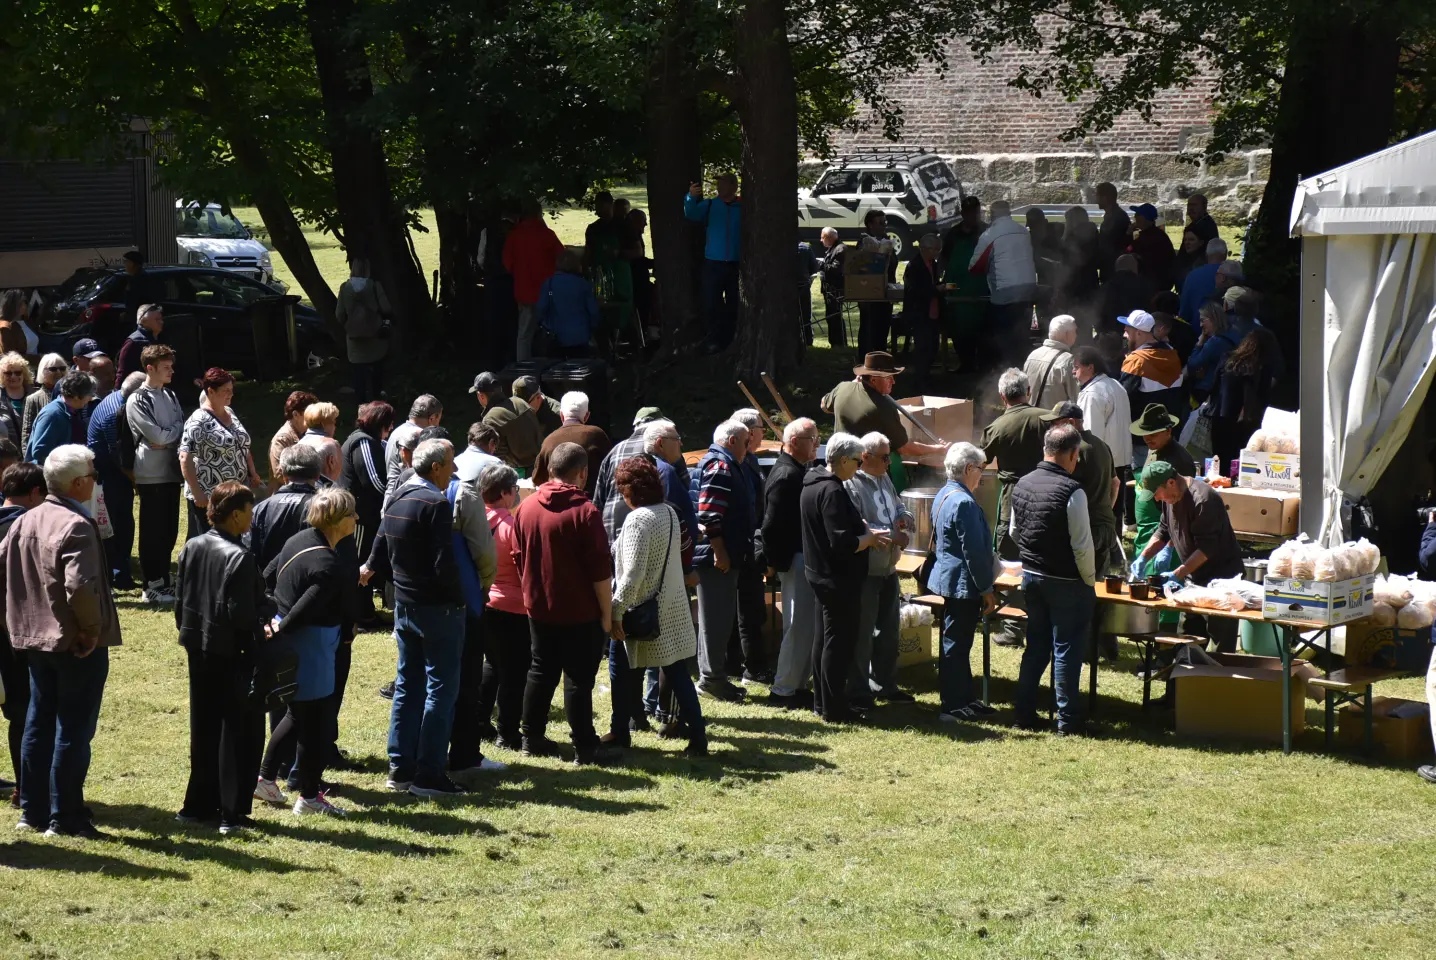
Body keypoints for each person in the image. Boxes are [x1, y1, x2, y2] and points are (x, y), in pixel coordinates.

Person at [1, 445, 120, 837]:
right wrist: (89, 632)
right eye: (94, 475)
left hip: (32, 640)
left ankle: (32, 811)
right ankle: (65, 816)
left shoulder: (24, 520)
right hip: (73, 643)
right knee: (73, 728)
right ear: (80, 482)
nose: (96, 482)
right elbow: (81, 586)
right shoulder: (76, 525)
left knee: (38, 723)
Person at [361, 439, 469, 796]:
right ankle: (429, 775)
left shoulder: (399, 496)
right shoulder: (435, 503)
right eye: (450, 464)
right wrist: (461, 598)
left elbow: (380, 541)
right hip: (437, 608)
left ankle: (400, 768)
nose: (454, 471)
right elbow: (443, 562)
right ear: (435, 467)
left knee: (408, 685)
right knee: (441, 687)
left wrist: (371, 568)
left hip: (404, 606)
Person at [173, 481, 271, 834]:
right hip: (232, 653)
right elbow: (241, 616)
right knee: (237, 733)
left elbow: (181, 600)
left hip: (198, 647)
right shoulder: (240, 557)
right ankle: (231, 813)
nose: (252, 516)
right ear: (234, 515)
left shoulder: (192, 546)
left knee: (204, 728)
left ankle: (196, 805)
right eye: (248, 510)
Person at [256, 488, 358, 817]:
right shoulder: (330, 564)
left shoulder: (298, 539)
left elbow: (267, 575)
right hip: (312, 645)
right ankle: (310, 797)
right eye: (352, 514)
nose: (357, 519)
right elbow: (306, 607)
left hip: (292, 641)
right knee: (317, 722)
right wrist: (282, 625)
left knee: (297, 714)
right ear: (339, 521)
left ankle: (266, 779)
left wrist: (271, 618)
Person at [511, 442, 616, 764]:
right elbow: (600, 571)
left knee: (540, 671)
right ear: (582, 473)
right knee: (578, 680)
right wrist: (607, 615)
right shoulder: (585, 512)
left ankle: (531, 737)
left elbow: (518, 556)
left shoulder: (525, 508)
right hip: (580, 610)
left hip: (539, 606)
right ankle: (585, 746)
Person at [606, 456, 708, 757]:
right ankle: (698, 739)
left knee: (619, 671)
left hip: (640, 612)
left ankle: (620, 731)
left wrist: (615, 610)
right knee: (678, 674)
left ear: (629, 490)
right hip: (670, 610)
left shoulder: (638, 519)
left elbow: (633, 574)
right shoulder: (669, 513)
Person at [1010, 424, 1096, 735]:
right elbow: (1082, 545)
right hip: (1067, 582)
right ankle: (1068, 720)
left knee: (1036, 647)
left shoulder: (1022, 483)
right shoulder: (1073, 491)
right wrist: (1089, 580)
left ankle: (1023, 713)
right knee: (1066, 650)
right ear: (1072, 454)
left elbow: (1013, 532)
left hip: (1032, 576)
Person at [801, 432, 889, 723]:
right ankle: (835, 708)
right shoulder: (833, 491)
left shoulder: (812, 482)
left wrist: (861, 530)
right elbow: (841, 542)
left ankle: (821, 702)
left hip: (819, 573)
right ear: (841, 460)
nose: (858, 466)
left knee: (823, 641)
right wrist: (867, 539)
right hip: (837, 578)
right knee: (837, 644)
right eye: (856, 461)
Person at [843, 432, 916, 707]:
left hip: (889, 568)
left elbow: (897, 505)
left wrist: (905, 517)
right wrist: (892, 535)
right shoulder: (852, 484)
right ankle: (859, 691)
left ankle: (885, 685)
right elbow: (861, 525)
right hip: (867, 570)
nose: (890, 462)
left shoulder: (884, 476)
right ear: (866, 457)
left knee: (889, 630)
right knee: (862, 634)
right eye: (885, 457)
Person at [687, 420, 755, 702]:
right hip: (716, 557)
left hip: (721, 553)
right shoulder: (720, 466)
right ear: (731, 441)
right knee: (716, 620)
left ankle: (712, 677)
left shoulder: (725, 463)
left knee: (716, 619)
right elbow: (708, 515)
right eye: (746, 441)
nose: (749, 447)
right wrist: (719, 551)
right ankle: (712, 680)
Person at [929, 442, 998, 721]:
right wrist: (986, 589)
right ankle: (953, 704)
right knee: (956, 645)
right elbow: (974, 553)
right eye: (981, 469)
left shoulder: (945, 494)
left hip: (952, 579)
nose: (982, 475)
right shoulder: (965, 503)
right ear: (969, 468)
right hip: (962, 584)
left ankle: (965, 698)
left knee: (959, 642)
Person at [820, 352, 950, 493]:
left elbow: (824, 405)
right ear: (874, 379)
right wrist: (938, 449)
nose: (893, 382)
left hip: (839, 471)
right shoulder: (883, 407)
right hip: (868, 478)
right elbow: (905, 448)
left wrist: (852, 388)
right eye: (889, 377)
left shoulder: (843, 388)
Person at [762, 418, 819, 709]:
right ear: (794, 441)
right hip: (792, 559)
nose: (817, 444)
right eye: (812, 438)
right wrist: (773, 562)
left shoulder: (797, 470)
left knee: (804, 625)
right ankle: (782, 690)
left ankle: (796, 685)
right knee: (796, 625)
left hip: (800, 557)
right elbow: (771, 526)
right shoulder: (786, 475)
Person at [0, 463, 47, 806]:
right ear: (34, 493)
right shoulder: (29, 528)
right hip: (14, 634)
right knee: (23, 711)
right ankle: (25, 789)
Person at [126, 344, 186, 603]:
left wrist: (166, 437)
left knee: (170, 528)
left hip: (171, 471)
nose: (171, 371)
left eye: (171, 366)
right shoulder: (137, 399)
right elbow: (155, 434)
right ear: (149, 368)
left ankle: (164, 578)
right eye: (165, 367)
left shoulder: (170, 396)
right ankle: (151, 584)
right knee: (152, 530)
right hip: (151, 474)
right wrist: (167, 435)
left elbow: (180, 428)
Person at [477, 464, 529, 752]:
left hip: (485, 601)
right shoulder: (511, 527)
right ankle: (507, 733)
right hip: (513, 606)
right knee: (514, 672)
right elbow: (523, 570)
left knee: (492, 664)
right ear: (506, 493)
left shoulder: (476, 520)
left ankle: (480, 720)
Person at [180, 368, 263, 540]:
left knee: (235, 536)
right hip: (210, 497)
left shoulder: (230, 413)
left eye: (232, 390)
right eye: (226, 391)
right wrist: (197, 493)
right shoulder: (198, 421)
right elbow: (185, 457)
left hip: (236, 491)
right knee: (213, 541)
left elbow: (242, 444)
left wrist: (252, 472)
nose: (231, 394)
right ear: (210, 391)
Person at [980, 368, 1049, 565]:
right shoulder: (1049, 419)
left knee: (1009, 552)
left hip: (1012, 496)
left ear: (1002, 396)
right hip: (1047, 492)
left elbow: (978, 464)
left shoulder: (995, 428)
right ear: (1028, 391)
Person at [1042, 402, 1119, 578]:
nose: (1052, 427)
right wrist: (1104, 509)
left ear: (1071, 422)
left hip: (1085, 530)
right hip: (1106, 526)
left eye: (1055, 423)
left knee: (1077, 585)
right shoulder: (1102, 445)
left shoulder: (1074, 450)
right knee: (1099, 587)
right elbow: (1116, 483)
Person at [88, 371, 146, 589]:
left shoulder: (116, 396)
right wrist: (137, 483)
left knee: (122, 524)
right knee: (117, 526)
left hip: (113, 474)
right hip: (109, 475)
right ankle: (117, 574)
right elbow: (118, 457)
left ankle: (119, 570)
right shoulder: (116, 413)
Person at [969, 200, 1038, 367]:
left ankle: (1007, 371)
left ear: (992, 215)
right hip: (1028, 288)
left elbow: (974, 266)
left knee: (1004, 336)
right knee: (1022, 333)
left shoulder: (989, 235)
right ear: (1009, 213)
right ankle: (1026, 368)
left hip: (1004, 290)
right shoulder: (1023, 231)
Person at [1118, 309, 1186, 473]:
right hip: (1168, 435)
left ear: (1140, 333)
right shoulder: (1172, 354)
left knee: (1143, 486)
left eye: (1127, 332)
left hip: (1143, 438)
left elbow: (1122, 399)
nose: (1124, 335)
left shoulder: (1136, 362)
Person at [1074, 346, 1134, 528]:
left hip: (1102, 462)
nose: (1073, 371)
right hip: (1120, 459)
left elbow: (1091, 435)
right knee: (1114, 512)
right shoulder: (1116, 385)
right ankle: (1115, 551)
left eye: (1076, 366)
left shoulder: (1092, 394)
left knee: (1101, 513)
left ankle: (1106, 551)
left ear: (1090, 367)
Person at [1211, 328, 1283, 468]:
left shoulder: (1227, 359)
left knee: (1219, 462)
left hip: (1220, 417)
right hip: (1247, 422)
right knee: (1244, 465)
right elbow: (1263, 397)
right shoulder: (1262, 368)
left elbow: (1214, 385)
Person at [503, 198, 565, 362]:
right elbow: (562, 258)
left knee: (524, 334)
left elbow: (508, 264)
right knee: (553, 331)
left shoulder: (514, 236)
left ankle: (523, 369)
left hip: (524, 291)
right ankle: (554, 364)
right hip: (548, 291)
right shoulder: (547, 234)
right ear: (539, 214)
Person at [685, 173, 741, 354]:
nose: (719, 187)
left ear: (733, 186)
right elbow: (691, 214)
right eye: (718, 184)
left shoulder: (742, 206)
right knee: (711, 304)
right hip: (712, 263)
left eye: (723, 183)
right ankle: (713, 341)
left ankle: (731, 340)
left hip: (735, 264)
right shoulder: (709, 205)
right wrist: (690, 197)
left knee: (734, 304)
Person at [592, 407, 667, 541]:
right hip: (646, 529)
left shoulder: (614, 451)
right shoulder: (659, 447)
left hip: (610, 529)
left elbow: (598, 501)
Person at [247, 444, 324, 570]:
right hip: (310, 584)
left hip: (268, 585)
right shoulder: (324, 509)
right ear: (317, 475)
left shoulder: (260, 509)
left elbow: (249, 550)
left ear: (283, 474)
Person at [941, 196, 990, 370]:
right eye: (968, 212)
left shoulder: (987, 231)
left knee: (982, 326)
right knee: (958, 327)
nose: (972, 216)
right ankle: (965, 362)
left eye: (975, 212)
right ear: (962, 213)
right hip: (957, 288)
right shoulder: (953, 234)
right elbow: (944, 260)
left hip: (981, 286)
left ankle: (982, 363)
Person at [334, 258, 392, 402]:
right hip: (375, 334)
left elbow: (339, 314)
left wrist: (349, 324)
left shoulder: (345, 287)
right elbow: (386, 308)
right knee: (377, 367)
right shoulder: (374, 286)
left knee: (358, 370)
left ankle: (361, 402)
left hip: (354, 336)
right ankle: (377, 397)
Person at [531, 391, 610, 494]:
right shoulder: (597, 435)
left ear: (561, 415)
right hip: (592, 499)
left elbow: (537, 479)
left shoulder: (549, 441)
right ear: (586, 416)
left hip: (557, 502)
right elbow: (611, 468)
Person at [535, 249, 600, 358]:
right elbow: (593, 311)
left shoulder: (549, 284)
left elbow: (541, 309)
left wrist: (544, 325)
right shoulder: (583, 285)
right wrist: (593, 327)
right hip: (581, 337)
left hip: (556, 338)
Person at [854, 211, 900, 358]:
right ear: (870, 225)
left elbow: (893, 264)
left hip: (886, 291)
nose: (884, 225)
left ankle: (880, 359)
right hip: (868, 292)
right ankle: (866, 360)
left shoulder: (888, 240)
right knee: (869, 327)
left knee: (883, 325)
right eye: (880, 222)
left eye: (885, 222)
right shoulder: (864, 242)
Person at [27, 372, 94, 467]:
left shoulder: (73, 411)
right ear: (76, 396)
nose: (91, 398)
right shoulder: (52, 414)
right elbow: (39, 451)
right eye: (89, 394)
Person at [904, 234, 945, 389]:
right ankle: (920, 382)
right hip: (920, 313)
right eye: (935, 249)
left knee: (933, 347)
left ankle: (926, 378)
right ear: (924, 248)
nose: (937, 253)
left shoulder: (932, 264)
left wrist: (942, 286)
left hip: (933, 312)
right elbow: (915, 291)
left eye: (938, 249)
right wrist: (936, 289)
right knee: (922, 348)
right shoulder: (914, 266)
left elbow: (933, 283)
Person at [484, 377, 546, 474]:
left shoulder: (489, 419)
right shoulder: (520, 403)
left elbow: (495, 455)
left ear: (480, 396)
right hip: (540, 463)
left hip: (517, 472)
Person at [386, 395, 443, 495]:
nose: (438, 425)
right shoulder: (418, 436)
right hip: (408, 496)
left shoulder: (396, 432)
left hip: (392, 496)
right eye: (438, 420)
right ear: (432, 418)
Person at [1184, 301, 1239, 403]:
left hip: (1207, 391)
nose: (1200, 325)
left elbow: (1193, 364)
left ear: (1212, 319)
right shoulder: (1233, 333)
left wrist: (1199, 344)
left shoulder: (1215, 342)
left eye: (1202, 320)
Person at [1022, 315, 1080, 408]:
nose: (1076, 335)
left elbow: (1026, 391)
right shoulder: (1069, 361)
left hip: (1032, 419)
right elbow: (1076, 398)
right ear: (1066, 334)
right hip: (1056, 421)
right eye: (1075, 331)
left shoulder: (1032, 356)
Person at [1056, 206, 1100, 320]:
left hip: (1074, 286)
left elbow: (1070, 264)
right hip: (1090, 283)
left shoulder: (1073, 238)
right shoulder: (1094, 236)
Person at [268, 390, 320, 481]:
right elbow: (279, 474)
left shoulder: (307, 433)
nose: (314, 417)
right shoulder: (282, 439)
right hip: (286, 494)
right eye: (309, 413)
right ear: (295, 414)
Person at [22, 353, 69, 453]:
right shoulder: (33, 399)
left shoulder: (72, 395)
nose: (59, 372)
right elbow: (27, 432)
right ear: (42, 371)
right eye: (53, 369)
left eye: (62, 368)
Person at [1126, 203, 1175, 292]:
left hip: (1153, 286)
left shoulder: (1149, 237)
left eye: (1137, 215)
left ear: (1145, 218)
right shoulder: (1157, 234)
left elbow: (1130, 250)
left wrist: (1129, 234)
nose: (1135, 217)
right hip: (1158, 284)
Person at [1179, 239, 1228, 324]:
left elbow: (1184, 311)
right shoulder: (1232, 275)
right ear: (1225, 254)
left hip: (1198, 328)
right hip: (1226, 329)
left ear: (1206, 254)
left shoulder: (1192, 276)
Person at [115, 303, 163, 386]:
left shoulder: (160, 339)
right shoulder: (134, 342)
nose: (161, 322)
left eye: (161, 319)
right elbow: (122, 373)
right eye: (157, 319)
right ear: (144, 321)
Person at [296, 402, 343, 483]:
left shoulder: (298, 445)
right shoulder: (331, 444)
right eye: (334, 422)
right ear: (324, 424)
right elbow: (338, 475)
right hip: (326, 492)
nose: (335, 427)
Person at [0, 352, 38, 449]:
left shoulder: (36, 395)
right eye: (8, 373)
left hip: (32, 451)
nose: (13, 376)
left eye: (18, 372)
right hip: (7, 454)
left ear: (24, 373)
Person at [1095, 182, 1131, 282]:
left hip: (1114, 270)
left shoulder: (1118, 217)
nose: (1096, 200)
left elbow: (1123, 243)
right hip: (1108, 268)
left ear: (1105, 198)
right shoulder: (1111, 216)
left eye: (1097, 196)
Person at [818, 227, 847, 349]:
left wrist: (820, 264)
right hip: (830, 289)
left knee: (834, 316)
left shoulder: (840, 249)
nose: (821, 240)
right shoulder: (834, 248)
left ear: (829, 238)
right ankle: (835, 343)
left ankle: (838, 343)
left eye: (822, 237)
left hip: (835, 290)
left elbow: (836, 269)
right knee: (831, 316)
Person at [0, 289, 35, 358]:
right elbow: (10, 357)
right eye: (20, 304)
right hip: (21, 367)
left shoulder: (26, 322)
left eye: (25, 302)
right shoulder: (5, 327)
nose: (24, 306)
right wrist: (38, 358)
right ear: (11, 305)